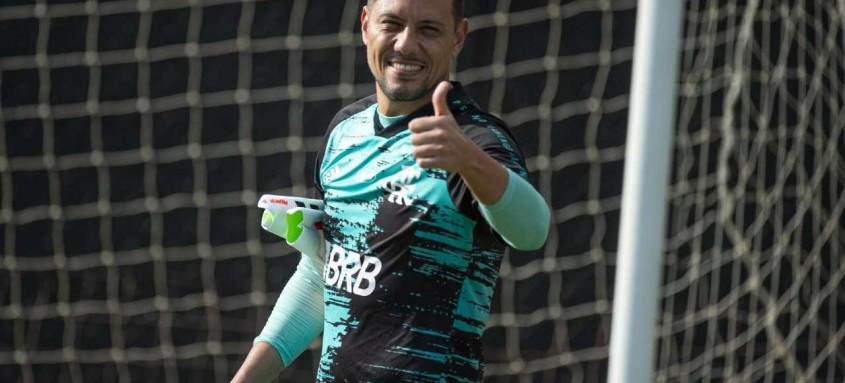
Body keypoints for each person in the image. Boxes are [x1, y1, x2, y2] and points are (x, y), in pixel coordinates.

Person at [232, 0, 550, 381]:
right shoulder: (345, 131)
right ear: (366, 24)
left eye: (428, 30)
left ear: (458, 37)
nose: (405, 44)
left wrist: (470, 161)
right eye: (392, 24)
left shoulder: (473, 142)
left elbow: (533, 232)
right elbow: (324, 272)